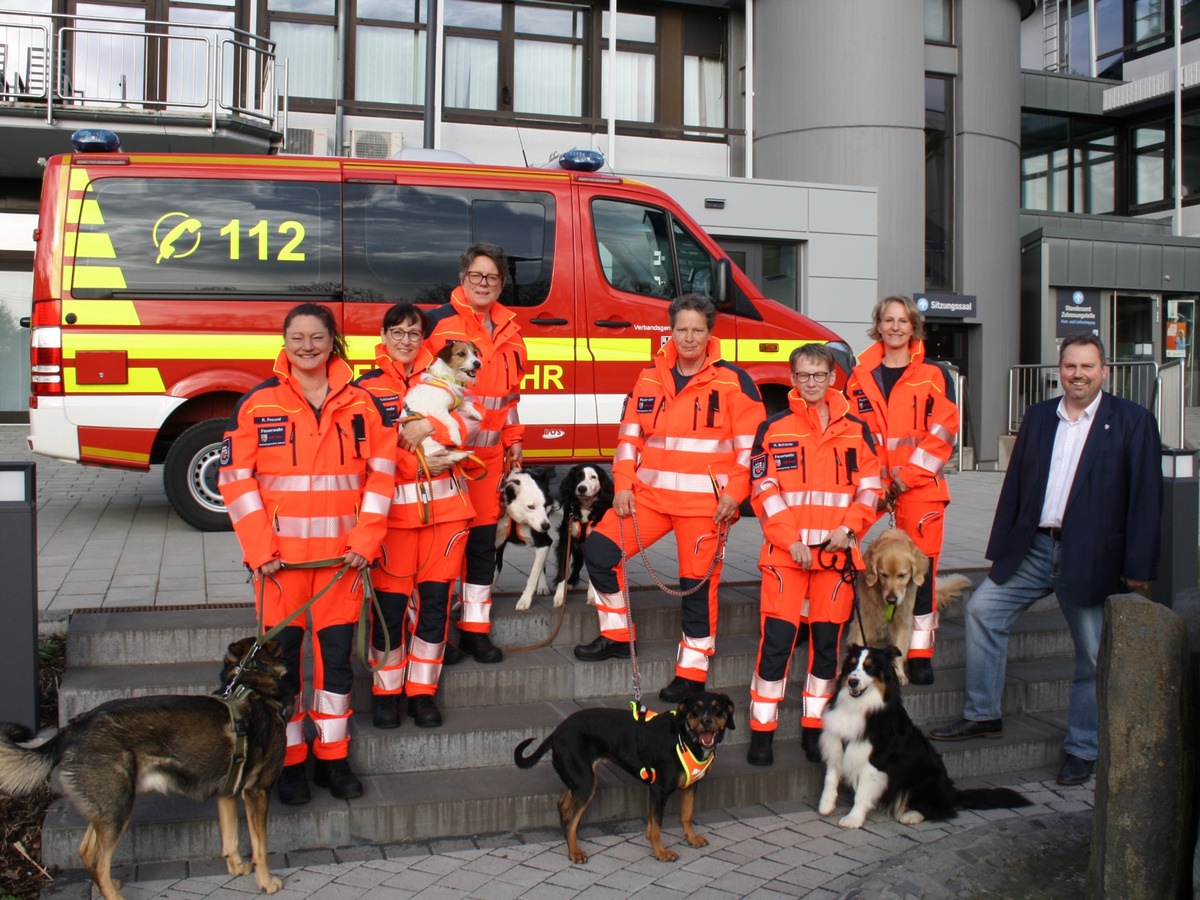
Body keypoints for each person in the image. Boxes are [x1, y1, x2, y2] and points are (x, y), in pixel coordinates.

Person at [930, 332, 1162, 786]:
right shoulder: (1038, 418)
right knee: (981, 610)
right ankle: (983, 714)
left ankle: (1082, 747)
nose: (1078, 375)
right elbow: (1016, 486)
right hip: (1034, 548)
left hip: (1093, 555)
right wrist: (999, 547)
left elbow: (1146, 498)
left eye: (1088, 367)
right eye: (1071, 366)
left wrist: (1139, 567)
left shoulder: (1132, 421)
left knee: (1092, 656)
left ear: (1104, 371)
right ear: (1060, 369)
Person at [218, 303, 395, 805]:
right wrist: (259, 549)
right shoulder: (256, 404)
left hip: (342, 565)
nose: (307, 346)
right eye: (297, 338)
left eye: (317, 337)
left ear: (332, 340)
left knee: (337, 667)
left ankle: (333, 760)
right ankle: (290, 764)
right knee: (285, 673)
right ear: (285, 341)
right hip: (280, 569)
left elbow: (382, 477)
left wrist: (365, 541)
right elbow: (235, 481)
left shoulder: (363, 404)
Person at [573, 293, 765, 702]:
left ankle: (692, 673)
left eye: (698, 330)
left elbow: (752, 449)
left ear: (709, 332)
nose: (689, 337)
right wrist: (622, 484)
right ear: (671, 330)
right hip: (649, 500)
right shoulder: (649, 376)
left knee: (695, 589)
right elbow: (629, 438)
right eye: (682, 329)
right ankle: (617, 636)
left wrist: (735, 495)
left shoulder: (734, 381)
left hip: (705, 509)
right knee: (599, 552)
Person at [746, 344, 883, 766]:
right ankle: (762, 733)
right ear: (792, 378)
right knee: (777, 646)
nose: (811, 383)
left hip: (836, 561)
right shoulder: (772, 428)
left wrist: (849, 530)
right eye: (803, 375)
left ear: (832, 378)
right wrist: (792, 542)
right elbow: (763, 491)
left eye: (819, 375)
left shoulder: (856, 429)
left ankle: (813, 730)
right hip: (788, 559)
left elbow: (871, 488)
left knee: (826, 649)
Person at [355, 303, 476, 729]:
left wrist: (426, 431)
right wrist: (414, 458)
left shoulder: (445, 377)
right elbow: (364, 449)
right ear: (384, 336)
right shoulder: (365, 387)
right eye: (397, 332)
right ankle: (386, 693)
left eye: (413, 333)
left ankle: (422, 692)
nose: (405, 340)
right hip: (393, 520)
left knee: (435, 608)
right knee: (388, 609)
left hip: (445, 514)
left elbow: (469, 428)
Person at [845, 295, 958, 685]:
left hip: (919, 487)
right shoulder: (858, 375)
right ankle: (845, 628)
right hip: (873, 484)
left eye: (903, 321)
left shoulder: (934, 375)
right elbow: (853, 433)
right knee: (843, 547)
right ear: (878, 325)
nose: (895, 327)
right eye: (888, 320)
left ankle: (921, 652)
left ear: (914, 328)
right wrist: (875, 479)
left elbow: (942, 436)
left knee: (922, 572)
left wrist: (904, 479)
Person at [425, 242, 527, 663]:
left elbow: (511, 396)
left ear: (502, 283)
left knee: (484, 547)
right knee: (446, 547)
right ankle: (438, 632)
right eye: (476, 276)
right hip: (447, 460)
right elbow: (420, 390)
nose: (484, 284)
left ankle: (475, 629)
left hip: (488, 462)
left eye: (492, 277)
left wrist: (515, 439)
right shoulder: (437, 325)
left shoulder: (512, 331)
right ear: (462, 277)